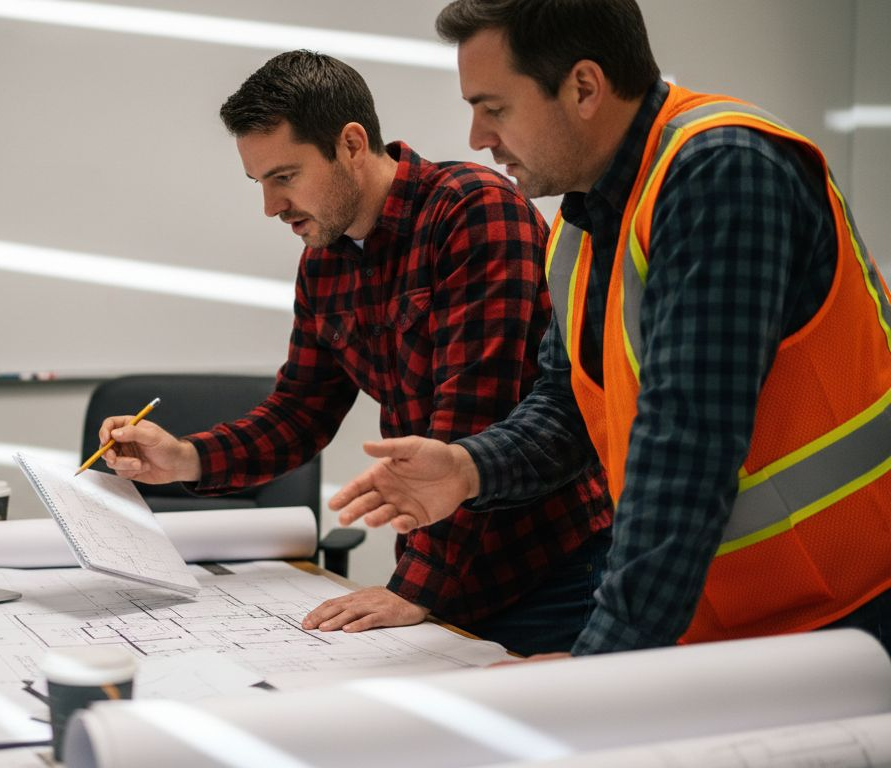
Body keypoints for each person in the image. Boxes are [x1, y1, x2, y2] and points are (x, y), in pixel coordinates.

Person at [331, 0, 891, 657]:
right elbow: (568, 406)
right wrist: (468, 467)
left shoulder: (724, 172)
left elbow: (687, 443)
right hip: (730, 628)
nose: (478, 135)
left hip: (850, 617)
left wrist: (599, 667)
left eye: (495, 107)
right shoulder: (583, 223)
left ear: (585, 88)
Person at [97, 50, 612, 655]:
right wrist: (185, 458)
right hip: (436, 573)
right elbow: (299, 413)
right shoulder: (324, 259)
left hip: (546, 573)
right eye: (259, 182)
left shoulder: (474, 212)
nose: (270, 206)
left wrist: (415, 588)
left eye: (284, 176)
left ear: (349, 143)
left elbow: (474, 421)